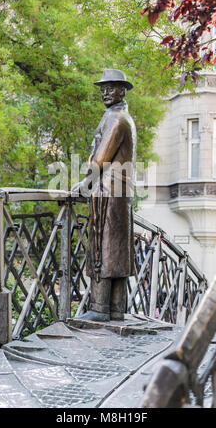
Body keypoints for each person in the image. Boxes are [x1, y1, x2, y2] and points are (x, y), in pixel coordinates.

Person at [72, 68, 136, 322]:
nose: (106, 92)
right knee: (118, 249)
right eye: (103, 88)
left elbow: (100, 158)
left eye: (111, 87)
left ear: (122, 89)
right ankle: (117, 309)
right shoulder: (123, 116)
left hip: (109, 191)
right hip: (121, 192)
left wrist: (85, 184)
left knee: (104, 247)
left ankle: (100, 308)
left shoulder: (116, 119)